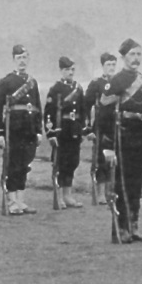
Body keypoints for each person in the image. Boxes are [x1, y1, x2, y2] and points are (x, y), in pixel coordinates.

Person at [99, 38, 142, 243]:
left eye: (139, 54)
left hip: (140, 140)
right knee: (121, 185)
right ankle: (120, 229)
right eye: (132, 54)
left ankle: (133, 227)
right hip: (122, 139)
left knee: (136, 186)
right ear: (123, 57)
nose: (136, 58)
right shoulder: (117, 81)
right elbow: (104, 114)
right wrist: (107, 146)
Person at [0, 44, 43, 215]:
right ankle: (11, 201)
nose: (22, 61)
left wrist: (38, 130)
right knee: (13, 165)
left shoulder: (32, 82)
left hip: (28, 130)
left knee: (24, 165)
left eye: (25, 57)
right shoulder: (6, 82)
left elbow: (37, 108)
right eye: (19, 58)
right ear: (13, 60)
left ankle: (20, 200)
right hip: (13, 129)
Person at [44, 57, 86, 209]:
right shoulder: (55, 89)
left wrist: (82, 128)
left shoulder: (78, 88)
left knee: (72, 162)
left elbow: (83, 110)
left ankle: (68, 195)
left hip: (74, 129)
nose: (70, 72)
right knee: (60, 163)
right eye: (67, 69)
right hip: (61, 130)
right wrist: (51, 133)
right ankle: (59, 195)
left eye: (72, 69)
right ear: (61, 70)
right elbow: (49, 113)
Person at [83, 51, 119, 204]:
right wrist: (88, 129)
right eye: (108, 64)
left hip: (116, 127)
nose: (111, 67)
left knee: (115, 161)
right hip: (101, 127)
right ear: (102, 66)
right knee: (101, 161)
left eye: (113, 64)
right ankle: (99, 194)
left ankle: (110, 192)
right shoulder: (96, 84)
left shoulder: (119, 83)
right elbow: (85, 107)